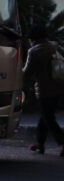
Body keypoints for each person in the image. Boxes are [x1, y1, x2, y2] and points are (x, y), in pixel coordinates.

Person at [22, 25, 64, 156]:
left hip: (45, 90)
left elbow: (27, 72)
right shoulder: (55, 46)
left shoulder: (33, 51)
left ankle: (62, 142)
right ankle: (40, 144)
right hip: (59, 86)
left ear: (32, 38)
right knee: (45, 116)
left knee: (48, 118)